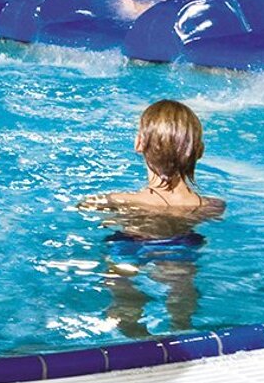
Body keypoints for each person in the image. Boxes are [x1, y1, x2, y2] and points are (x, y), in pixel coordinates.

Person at [81, 100, 225, 338]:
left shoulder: (119, 200)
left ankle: (130, 325)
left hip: (129, 243)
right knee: (182, 286)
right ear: (199, 151)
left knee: (120, 282)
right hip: (181, 245)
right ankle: (182, 325)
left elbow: (84, 207)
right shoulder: (212, 207)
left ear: (139, 143)